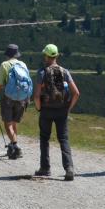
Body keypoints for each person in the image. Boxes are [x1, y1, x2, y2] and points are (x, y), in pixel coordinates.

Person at [33, 44, 79, 181]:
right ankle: (69, 168)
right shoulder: (65, 72)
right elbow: (76, 93)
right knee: (63, 139)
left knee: (44, 138)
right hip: (62, 110)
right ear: (57, 56)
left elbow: (36, 96)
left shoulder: (42, 72)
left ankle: (45, 168)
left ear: (46, 56)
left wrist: (39, 108)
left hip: (46, 110)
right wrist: (68, 108)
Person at [0, 43, 32, 159]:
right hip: (22, 98)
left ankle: (15, 146)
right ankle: (13, 145)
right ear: (17, 54)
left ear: (7, 54)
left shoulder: (5, 65)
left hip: (9, 98)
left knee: (8, 124)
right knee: (13, 123)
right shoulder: (23, 64)